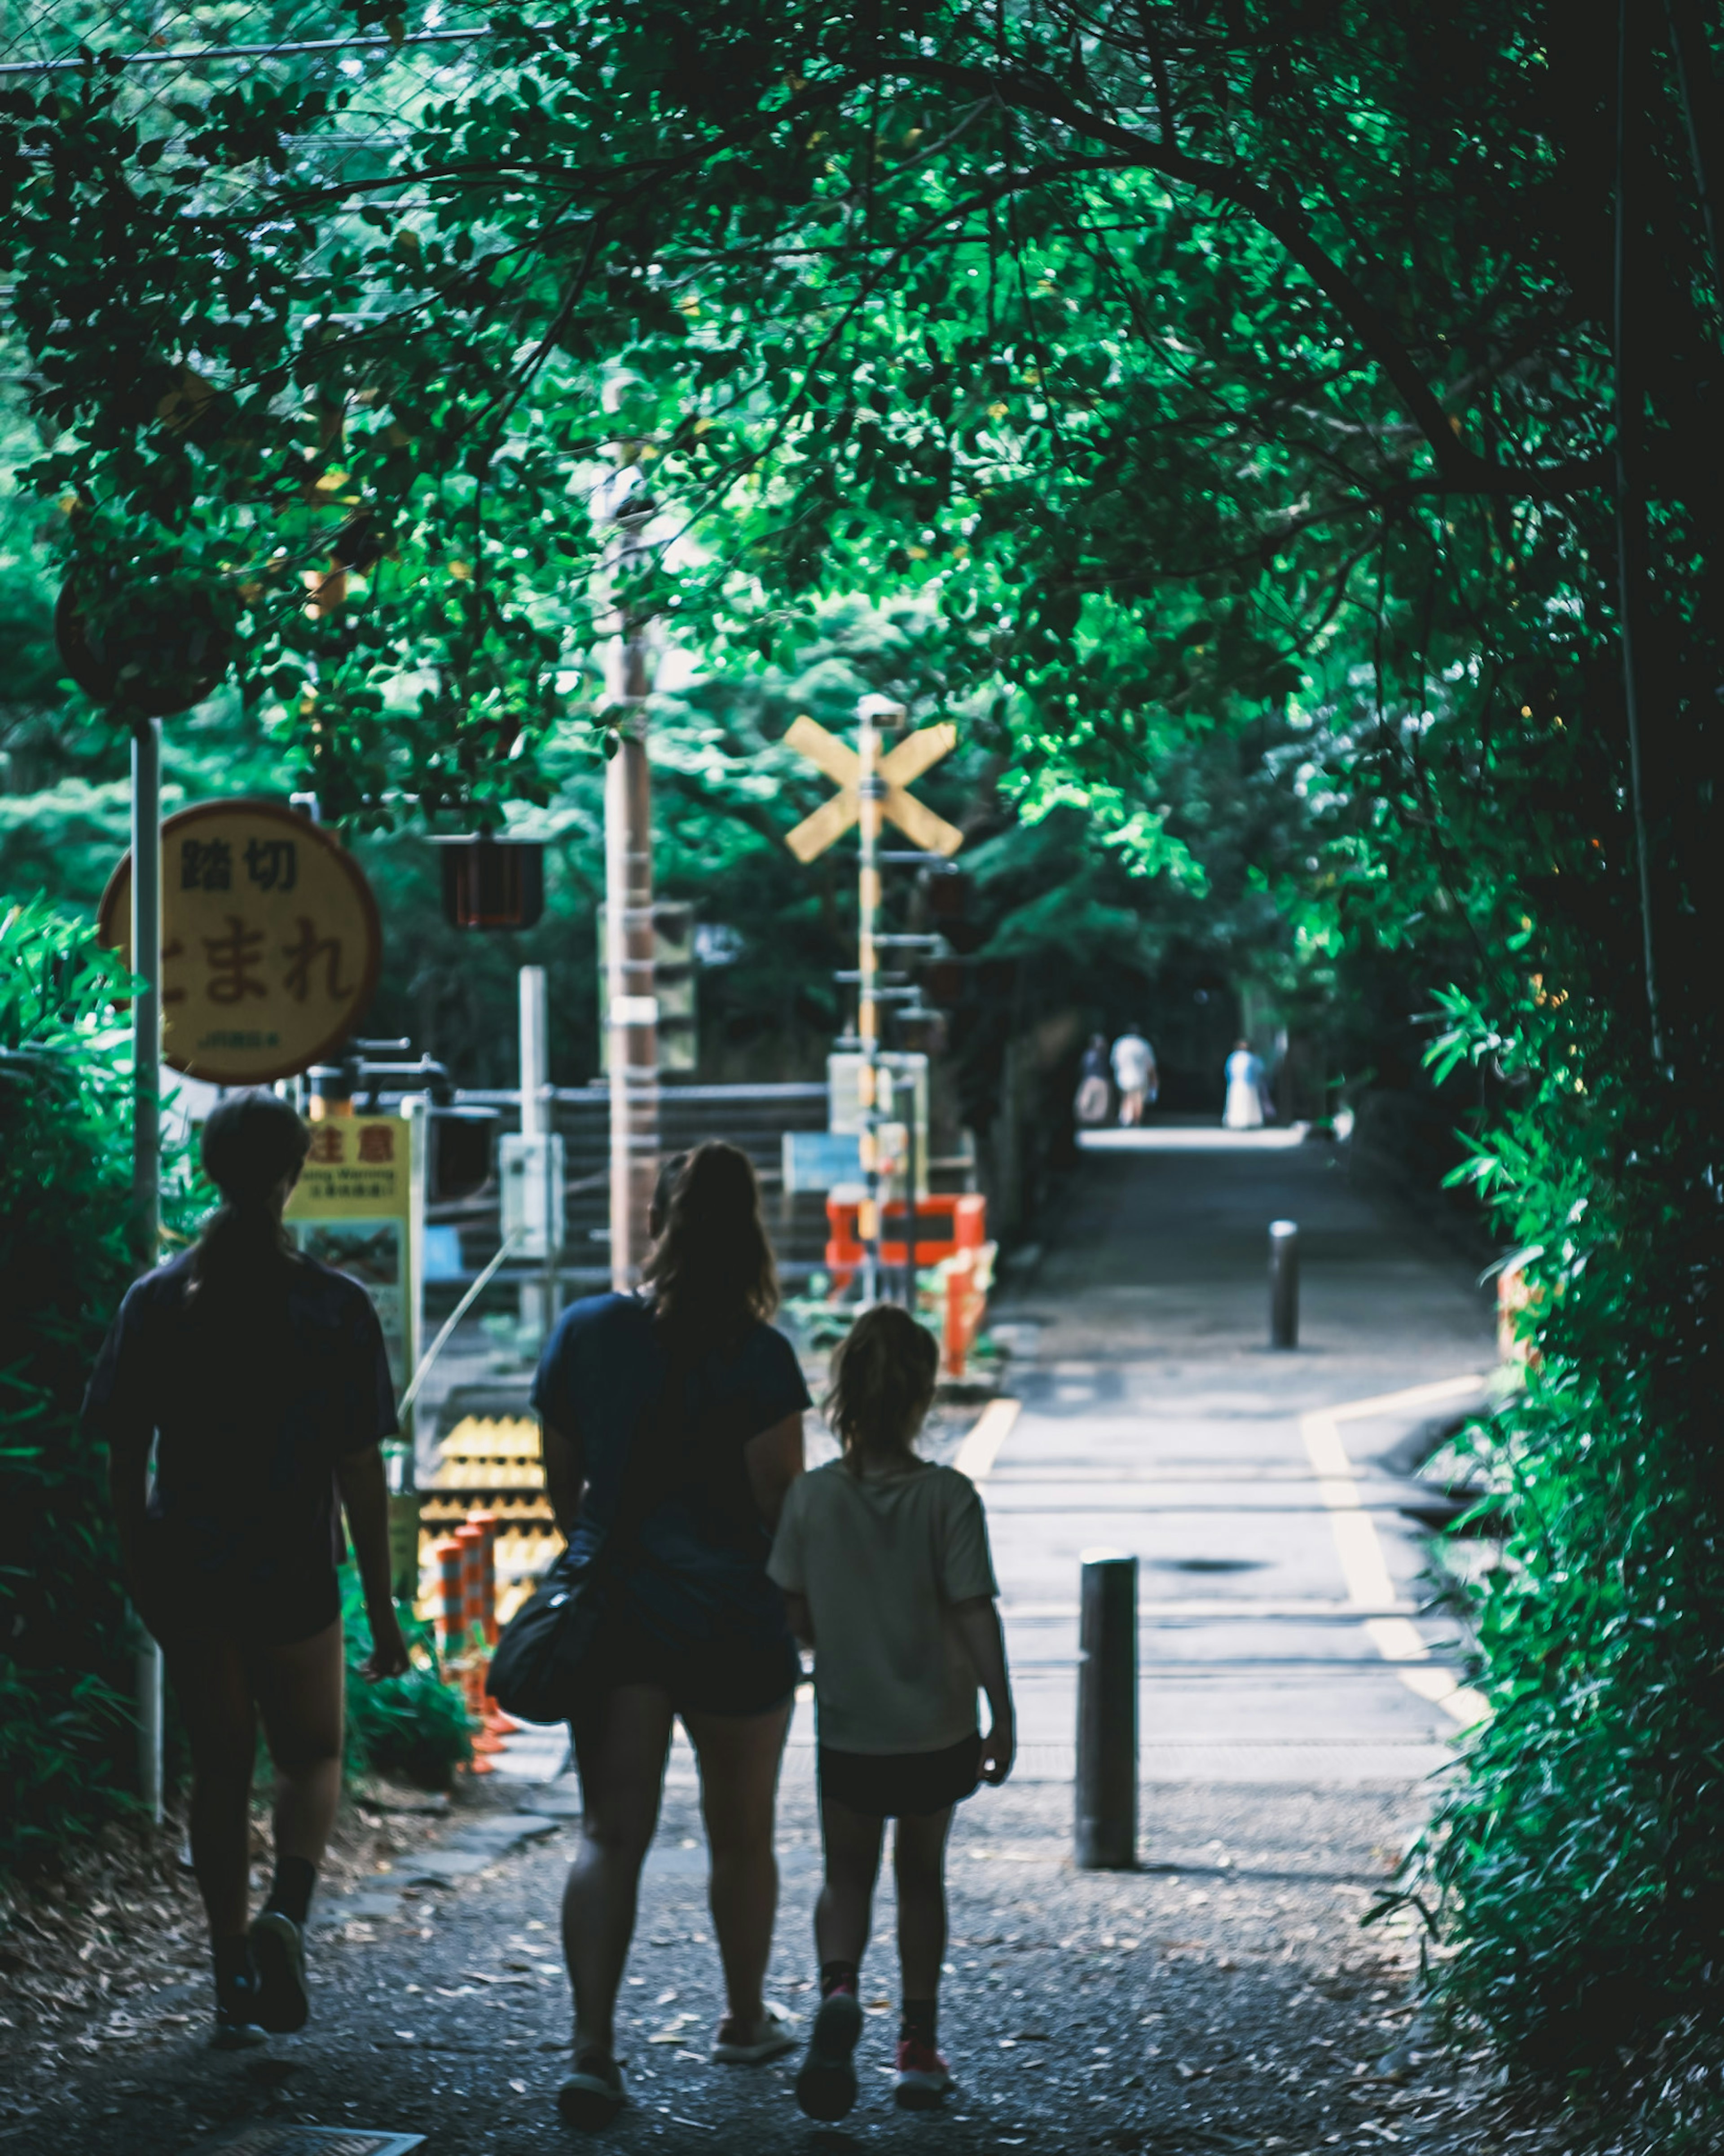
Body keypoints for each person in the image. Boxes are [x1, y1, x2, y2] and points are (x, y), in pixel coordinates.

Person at [84, 1091, 409, 2050]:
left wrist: (137, 1564)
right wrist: (383, 1614)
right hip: (291, 1570)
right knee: (311, 1754)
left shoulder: (156, 1299)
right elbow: (361, 1471)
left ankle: (229, 1970)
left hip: (186, 1567)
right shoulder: (334, 1306)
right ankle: (287, 1916)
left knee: (218, 1767)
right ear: (293, 1172)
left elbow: (118, 1449)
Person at [534, 1142, 808, 2131]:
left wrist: (614, 1555)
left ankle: (593, 2055)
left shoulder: (587, 1333)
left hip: (617, 1617)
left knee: (609, 1832)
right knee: (742, 1836)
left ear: (657, 1224)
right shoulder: (761, 1357)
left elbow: (564, 1484)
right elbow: (782, 1506)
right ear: (753, 1238)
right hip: (734, 1616)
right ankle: (743, 2018)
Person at [771, 1305, 1015, 2121]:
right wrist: (1003, 1712)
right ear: (922, 1398)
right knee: (920, 1876)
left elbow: (792, 1615)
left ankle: (839, 1987)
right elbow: (975, 1610)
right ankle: (916, 2048)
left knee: (846, 1874)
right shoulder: (949, 1497)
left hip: (849, 1726)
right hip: (936, 1728)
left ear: (843, 1395)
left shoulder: (811, 1498)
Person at [1110, 1026, 1158, 1126]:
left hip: (1123, 1077)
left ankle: (1126, 1118)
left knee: (1126, 1097)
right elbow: (1150, 1066)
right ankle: (1136, 1120)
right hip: (1140, 1077)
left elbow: (1114, 1062)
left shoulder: (1121, 1044)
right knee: (1138, 1099)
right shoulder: (1144, 1045)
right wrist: (1154, 1079)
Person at [1224, 1038, 1267, 1127]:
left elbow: (1259, 1069)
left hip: (1249, 1084)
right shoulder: (1234, 1057)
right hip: (1236, 1084)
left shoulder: (1251, 1057)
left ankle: (1250, 1121)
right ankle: (1236, 1121)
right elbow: (1228, 1071)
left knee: (1249, 1102)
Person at [1073, 1032, 1112, 1128]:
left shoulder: (1095, 1055)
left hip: (1095, 1080)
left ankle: (1094, 1121)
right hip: (1093, 1080)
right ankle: (1089, 1120)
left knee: (1098, 1103)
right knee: (1087, 1102)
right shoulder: (1092, 1055)